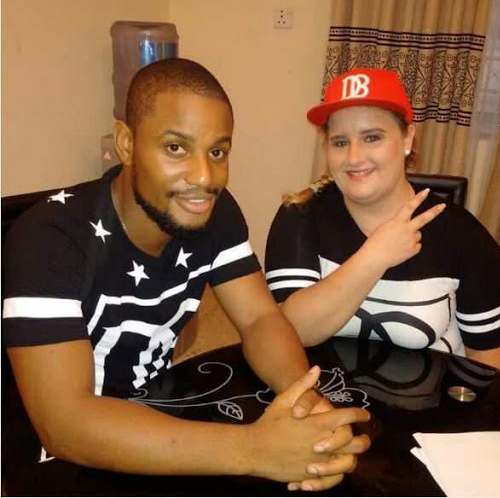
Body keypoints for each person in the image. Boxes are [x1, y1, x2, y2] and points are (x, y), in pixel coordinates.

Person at [2, 58, 371, 493]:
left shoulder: (214, 213)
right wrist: (253, 450)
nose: (204, 177)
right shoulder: (49, 238)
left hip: (155, 411)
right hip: (54, 458)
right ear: (126, 143)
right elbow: (63, 426)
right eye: (176, 148)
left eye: (217, 152)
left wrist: (302, 401)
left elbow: (259, 319)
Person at [265, 67, 500, 372]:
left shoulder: (465, 237)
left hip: (430, 399)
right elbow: (293, 333)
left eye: (372, 137)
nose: (354, 158)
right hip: (321, 395)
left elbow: (491, 367)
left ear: (407, 138)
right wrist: (376, 255)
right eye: (340, 142)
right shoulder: (299, 215)